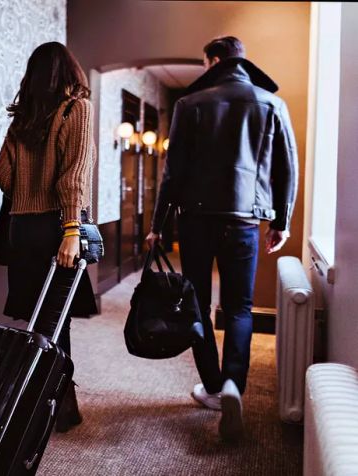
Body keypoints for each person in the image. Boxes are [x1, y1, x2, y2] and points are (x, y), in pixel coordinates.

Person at [146, 36, 298, 441]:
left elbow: (172, 172)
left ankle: (212, 386)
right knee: (240, 309)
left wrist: (157, 224)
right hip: (246, 221)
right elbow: (288, 169)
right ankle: (234, 385)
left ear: (212, 61)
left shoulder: (190, 104)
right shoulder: (271, 104)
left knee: (195, 301)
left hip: (196, 221)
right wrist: (281, 221)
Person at [0, 41, 98, 433]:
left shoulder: (23, 119)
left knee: (39, 322)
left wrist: (27, 188)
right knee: (57, 322)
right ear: (71, 73)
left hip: (22, 228)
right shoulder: (78, 110)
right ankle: (56, 405)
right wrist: (71, 229)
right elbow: (74, 178)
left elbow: (1, 173)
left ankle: (46, 401)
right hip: (57, 227)